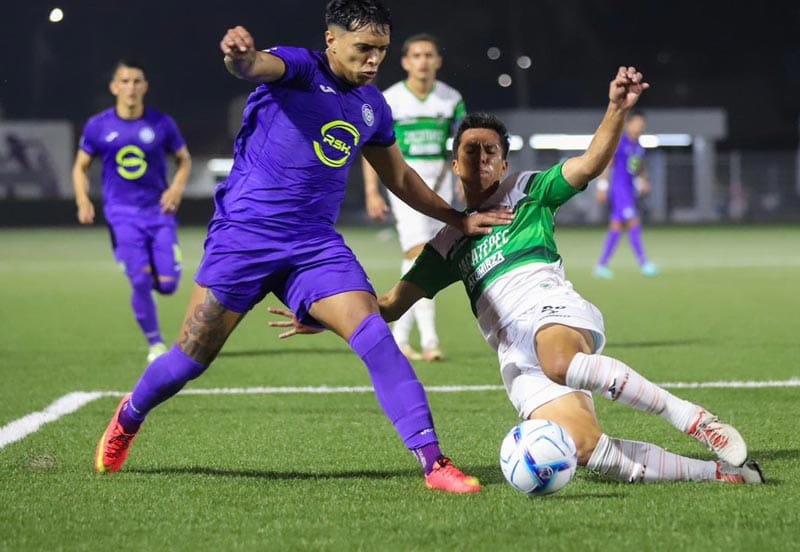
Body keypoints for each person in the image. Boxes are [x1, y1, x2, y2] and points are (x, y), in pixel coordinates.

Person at [93, 0, 514, 494]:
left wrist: (457, 219)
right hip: (244, 238)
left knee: (376, 337)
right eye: (363, 48)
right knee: (188, 359)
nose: (374, 60)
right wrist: (240, 56)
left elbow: (400, 178)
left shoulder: (373, 105)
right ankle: (129, 417)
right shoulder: (299, 68)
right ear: (331, 41)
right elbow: (253, 66)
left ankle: (433, 462)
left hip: (314, 246)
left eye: (381, 50)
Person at [271, 69, 764, 485]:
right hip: (513, 355)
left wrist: (616, 109)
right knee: (586, 448)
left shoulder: (529, 191)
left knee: (558, 361)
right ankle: (721, 475)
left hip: (551, 312)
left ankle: (694, 419)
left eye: (491, 151)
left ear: (504, 163)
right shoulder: (447, 243)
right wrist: (326, 312)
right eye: (471, 150)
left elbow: (589, 165)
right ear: (454, 163)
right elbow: (389, 306)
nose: (481, 158)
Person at [72, 60, 192, 363]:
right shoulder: (98, 126)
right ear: (114, 87)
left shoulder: (161, 123)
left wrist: (176, 188)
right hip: (122, 214)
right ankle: (156, 344)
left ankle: (149, 280)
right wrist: (83, 200)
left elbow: (184, 159)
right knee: (140, 281)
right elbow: (80, 167)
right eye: (124, 81)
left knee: (168, 285)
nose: (131, 87)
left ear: (145, 86)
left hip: (159, 213)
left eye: (137, 81)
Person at [362, 33, 465, 363]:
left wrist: (464, 179)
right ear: (406, 62)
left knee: (430, 257)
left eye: (429, 55)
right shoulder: (391, 99)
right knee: (419, 253)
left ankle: (400, 338)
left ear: (438, 61)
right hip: (404, 183)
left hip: (441, 184)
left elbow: (462, 144)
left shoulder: (451, 99)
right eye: (416, 56)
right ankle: (431, 340)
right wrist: (372, 191)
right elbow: (371, 148)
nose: (423, 61)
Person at [593, 111, 658, 278]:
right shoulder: (620, 143)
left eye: (642, 124)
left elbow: (638, 167)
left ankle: (601, 265)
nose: (639, 127)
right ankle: (644, 263)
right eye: (636, 123)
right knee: (634, 222)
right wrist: (602, 186)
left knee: (616, 227)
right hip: (620, 190)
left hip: (629, 191)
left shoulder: (639, 147)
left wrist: (643, 180)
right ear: (628, 125)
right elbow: (607, 164)